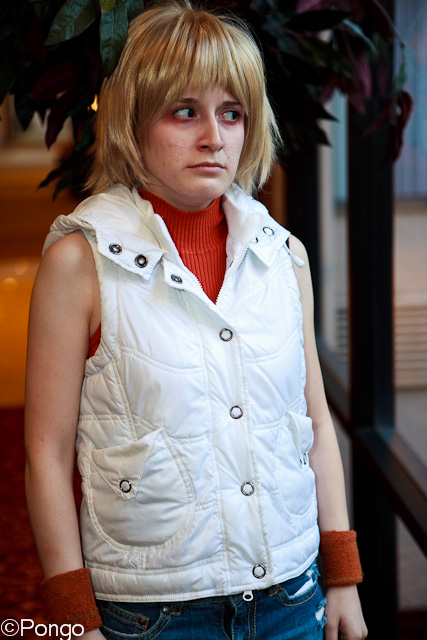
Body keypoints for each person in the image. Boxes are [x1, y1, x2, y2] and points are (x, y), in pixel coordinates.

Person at [25, 1, 368, 639]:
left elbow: (315, 426)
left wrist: (342, 576)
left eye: (231, 113)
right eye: (184, 111)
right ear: (134, 121)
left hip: (293, 597)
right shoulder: (79, 262)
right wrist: (74, 619)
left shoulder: (283, 255)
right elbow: (46, 453)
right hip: (152, 615)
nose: (214, 136)